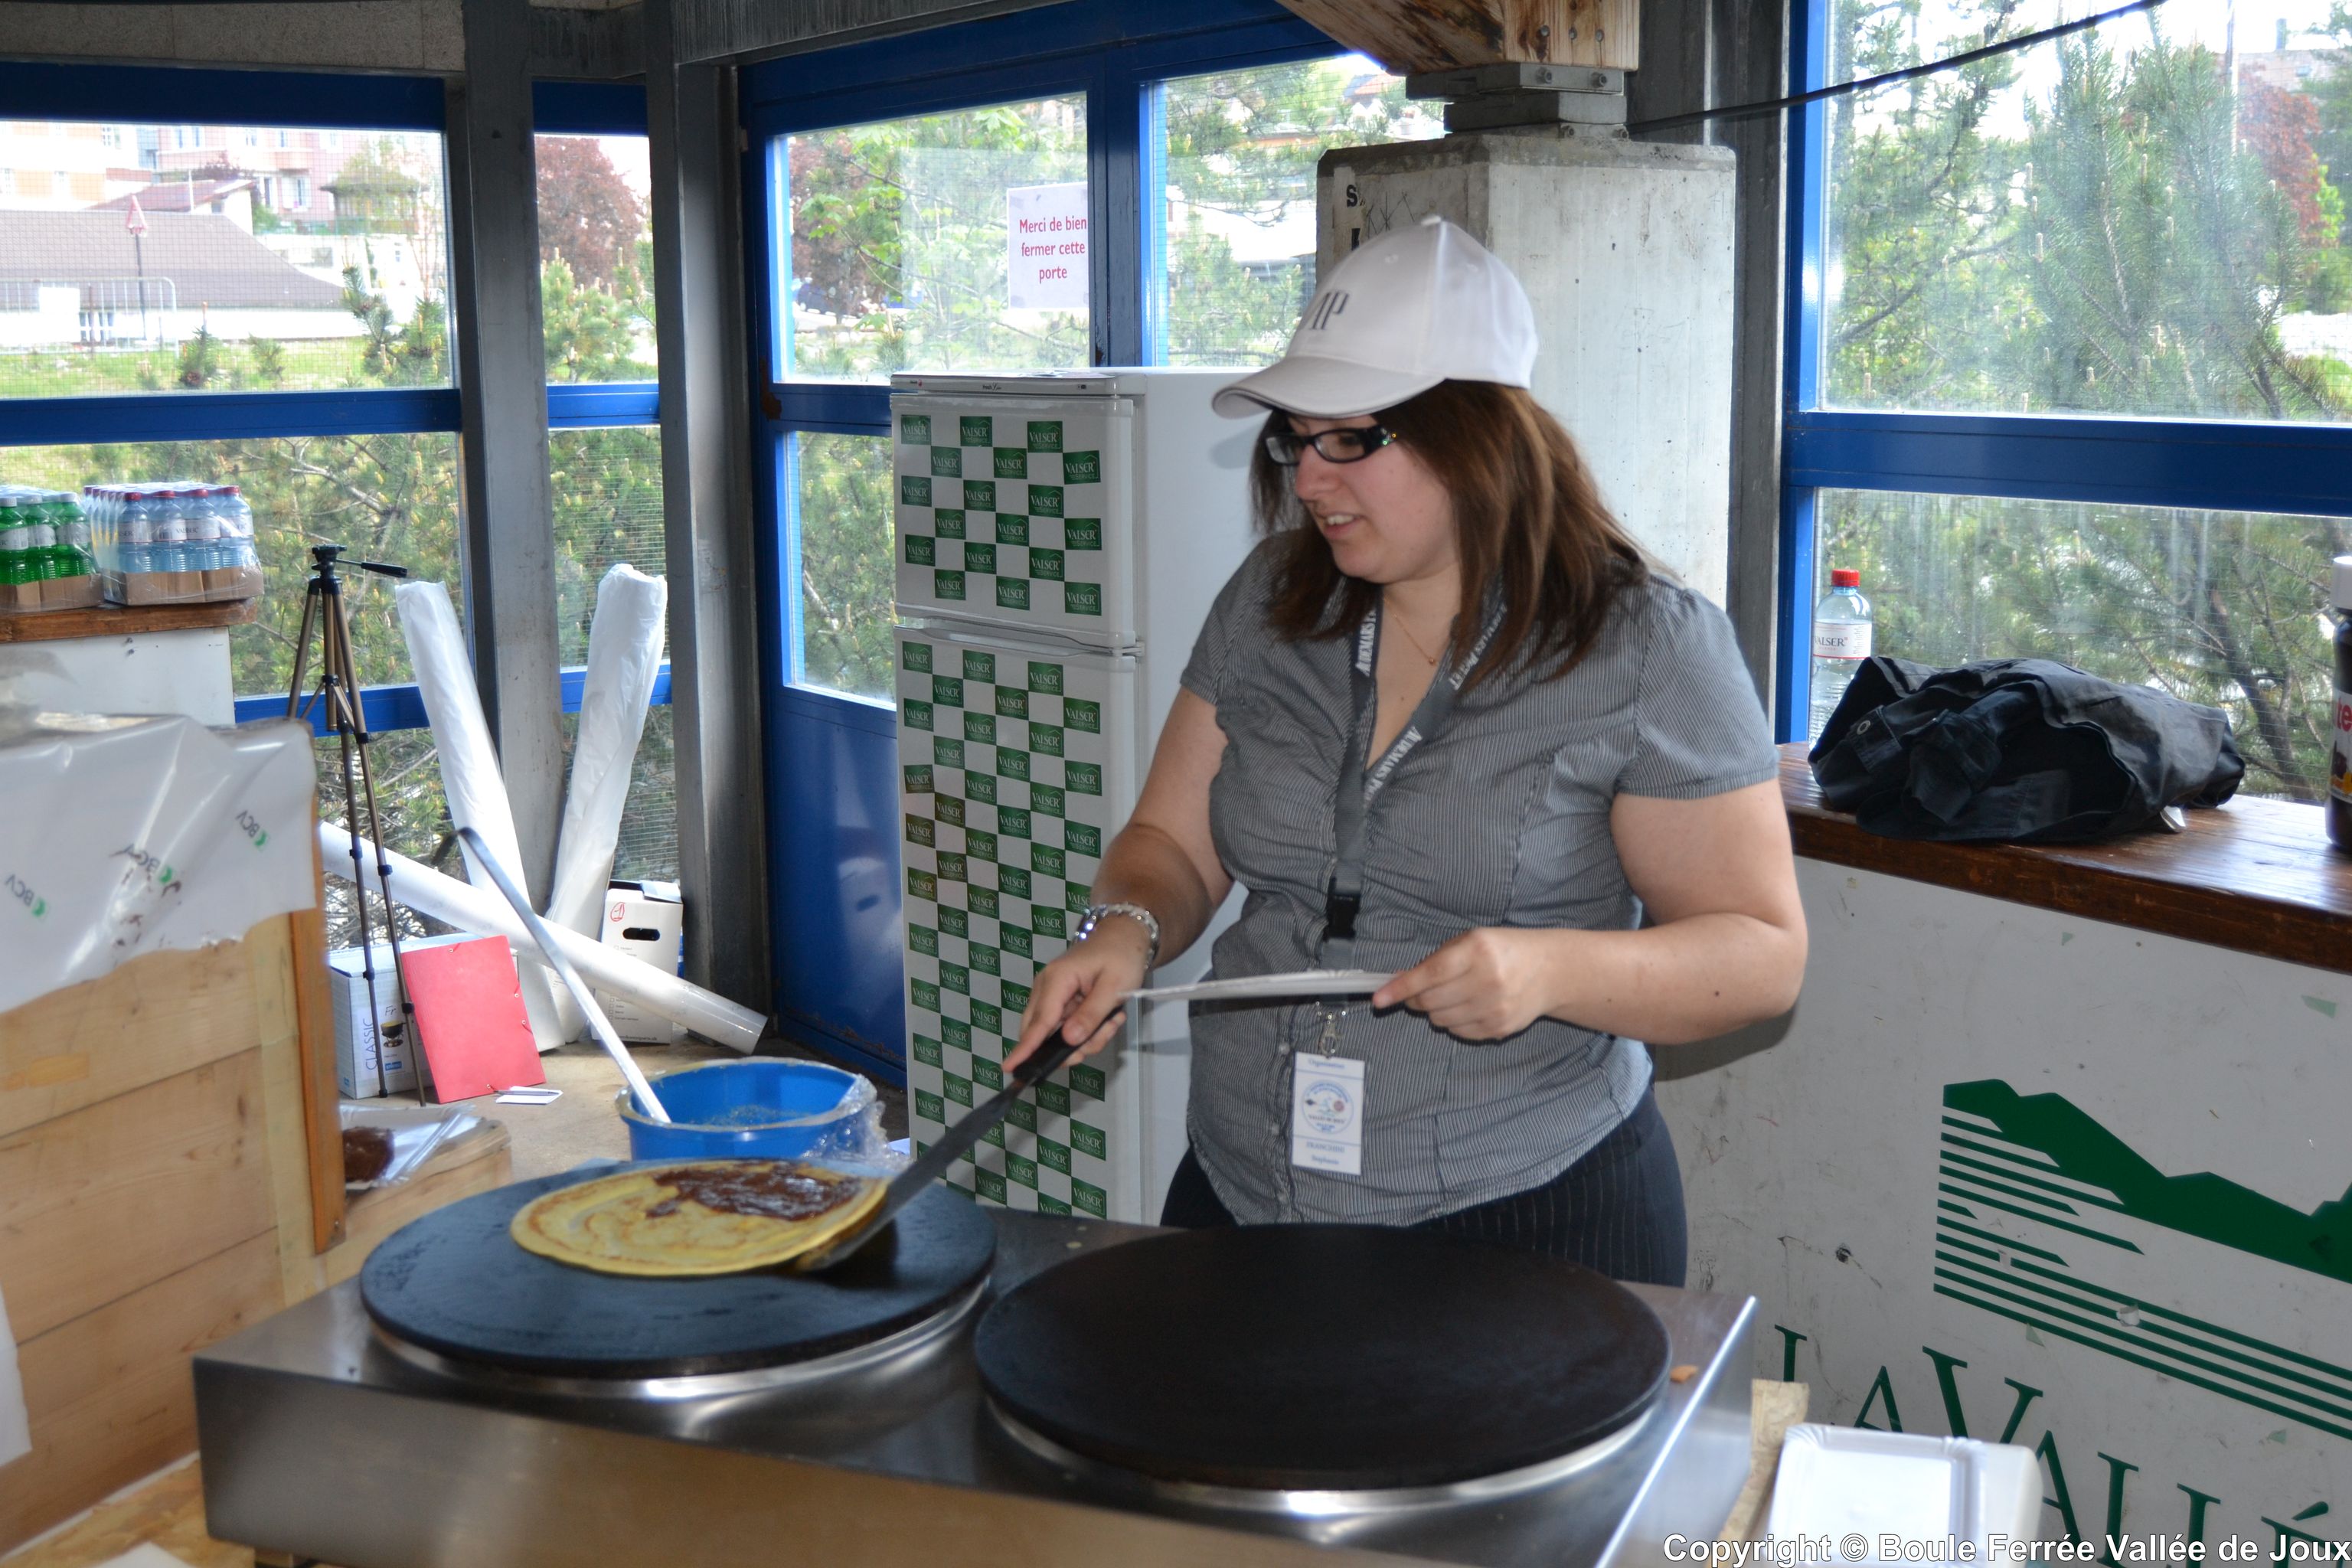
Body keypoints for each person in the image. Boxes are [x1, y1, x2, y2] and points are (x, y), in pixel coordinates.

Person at [1005, 216, 1805, 1285]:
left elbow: (1760, 955)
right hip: (1243, 1188)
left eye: (1349, 439)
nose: (1309, 481)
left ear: (1478, 436)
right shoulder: (1269, 602)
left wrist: (1552, 971)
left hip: (1523, 1215)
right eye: (1296, 439)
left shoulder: (1646, 645)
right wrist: (1126, 930)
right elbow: (1172, 843)